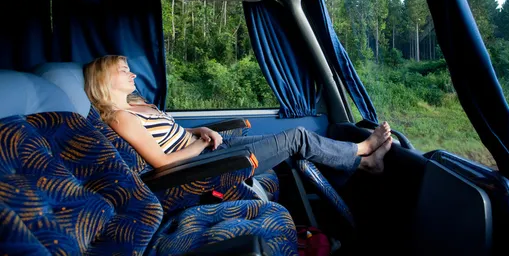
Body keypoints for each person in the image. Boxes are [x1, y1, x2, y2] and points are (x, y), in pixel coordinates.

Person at [84, 55, 393, 175]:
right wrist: (203, 143)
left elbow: (173, 133)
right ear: (103, 79)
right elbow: (162, 162)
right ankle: (362, 150)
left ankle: (366, 163)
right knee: (297, 136)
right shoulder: (119, 117)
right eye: (124, 70)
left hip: (204, 150)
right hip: (199, 165)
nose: (134, 75)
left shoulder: (139, 105)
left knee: (288, 140)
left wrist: (202, 130)